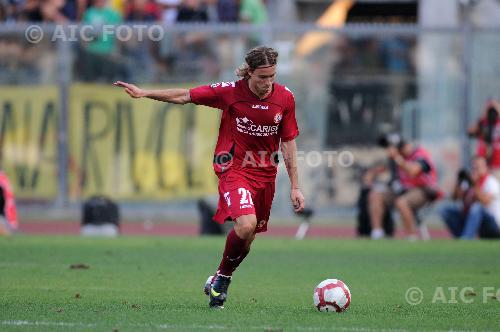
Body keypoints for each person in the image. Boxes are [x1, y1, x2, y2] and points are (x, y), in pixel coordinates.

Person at [114, 46, 305, 308]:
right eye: (262, 77)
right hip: (234, 169)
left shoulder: (285, 98)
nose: (268, 83)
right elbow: (185, 95)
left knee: (247, 239)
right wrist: (145, 92)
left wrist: (296, 186)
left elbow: (288, 143)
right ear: (249, 72)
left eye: (272, 76)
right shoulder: (230, 92)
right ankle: (223, 282)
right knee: (246, 224)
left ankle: (218, 277)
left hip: (265, 175)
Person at [368, 134, 440, 240]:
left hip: (424, 191)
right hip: (404, 190)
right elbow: (385, 170)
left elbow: (413, 171)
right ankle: (377, 234)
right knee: (376, 195)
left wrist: (397, 157)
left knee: (402, 202)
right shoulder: (396, 159)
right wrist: (372, 174)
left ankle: (411, 236)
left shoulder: (420, 154)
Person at [441, 156, 500, 239]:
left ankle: (466, 238)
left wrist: (474, 184)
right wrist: (459, 181)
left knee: (477, 207)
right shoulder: (468, 182)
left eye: (478, 167)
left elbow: (485, 202)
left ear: (486, 167)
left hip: (492, 225)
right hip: (473, 220)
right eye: (474, 167)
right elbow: (454, 198)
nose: (476, 170)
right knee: (445, 210)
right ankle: (460, 237)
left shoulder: (491, 182)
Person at [468, 99, 500, 179]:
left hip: (497, 165)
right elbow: (470, 131)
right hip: (483, 165)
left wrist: (497, 110)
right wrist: (484, 114)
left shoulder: (498, 123)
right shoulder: (483, 122)